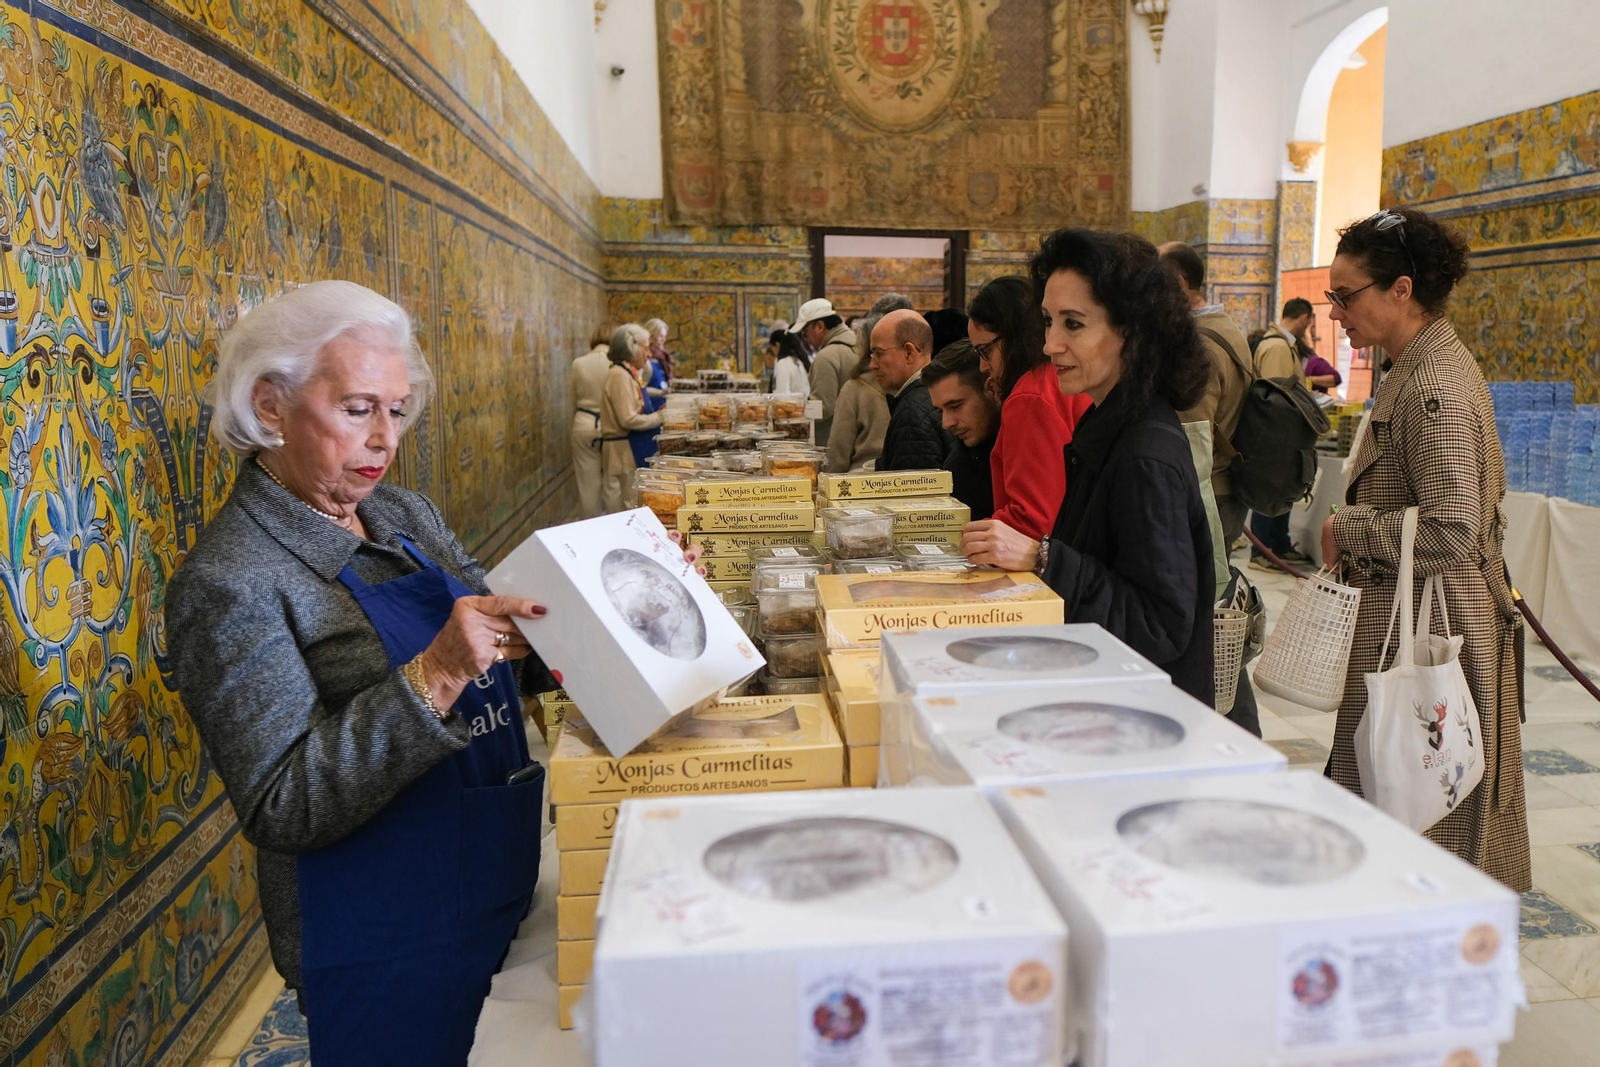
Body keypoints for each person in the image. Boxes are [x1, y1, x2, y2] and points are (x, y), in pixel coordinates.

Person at [165, 281, 552, 1066]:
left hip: (487, 873)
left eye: (398, 410)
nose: (384, 438)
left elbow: (504, 641)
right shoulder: (231, 580)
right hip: (384, 931)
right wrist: (434, 672)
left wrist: (610, 616)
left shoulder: (404, 516)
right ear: (270, 406)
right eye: (357, 408)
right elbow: (282, 801)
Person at [1320, 207, 1528, 891]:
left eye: (1345, 296)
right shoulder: (1415, 364)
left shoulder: (1433, 383)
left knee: (1425, 806)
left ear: (1401, 290)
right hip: (1419, 611)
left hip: (1438, 625)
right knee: (1407, 800)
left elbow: (1450, 529)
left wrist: (1347, 530)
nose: (1337, 312)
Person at [962, 229, 1215, 704]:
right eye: (1047, 321)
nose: (1050, 344)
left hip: (1138, 713)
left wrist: (1044, 558)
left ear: (1132, 332)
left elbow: (1159, 625)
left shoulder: (1144, 454)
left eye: (1073, 325)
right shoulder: (1111, 422)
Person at [1158, 242, 1260, 735]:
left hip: (1210, 494)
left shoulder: (1198, 343)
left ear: (1177, 286)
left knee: (1209, 622)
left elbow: (1192, 443)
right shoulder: (1229, 330)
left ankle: (1234, 732)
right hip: (1225, 489)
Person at [966, 275, 1092, 541]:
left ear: (1014, 336)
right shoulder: (1058, 378)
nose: (983, 366)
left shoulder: (1030, 396)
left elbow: (1035, 520)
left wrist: (965, 537)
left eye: (985, 351)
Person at [1249, 297, 1320, 570]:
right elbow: (1277, 396)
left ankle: (1278, 544)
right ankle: (1262, 550)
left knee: (1283, 490)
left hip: (1286, 435)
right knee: (1270, 489)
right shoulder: (1277, 347)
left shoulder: (1282, 344)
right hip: (1277, 433)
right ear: (1304, 318)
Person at [925, 341, 999, 519]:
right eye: (940, 411)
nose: (946, 423)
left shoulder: (1022, 447)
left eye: (956, 406)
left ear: (992, 389)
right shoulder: (958, 463)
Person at [872, 309, 952, 471]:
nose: (872, 364)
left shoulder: (911, 412)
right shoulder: (933, 394)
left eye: (878, 353)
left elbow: (912, 492)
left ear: (909, 353)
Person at [600, 323, 664, 511]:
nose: (649, 354)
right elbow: (628, 419)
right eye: (645, 348)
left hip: (629, 448)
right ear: (632, 348)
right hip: (621, 451)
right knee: (627, 503)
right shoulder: (619, 375)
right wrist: (659, 417)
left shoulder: (627, 372)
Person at [826, 314, 890, 472]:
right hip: (899, 477)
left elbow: (839, 448)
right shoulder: (904, 384)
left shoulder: (854, 388)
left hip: (859, 478)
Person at [569, 321, 616, 518]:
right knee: (613, 485)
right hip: (613, 427)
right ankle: (615, 529)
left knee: (588, 488)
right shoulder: (617, 364)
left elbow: (572, 400)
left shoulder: (578, 363)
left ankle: (590, 530)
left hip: (584, 424)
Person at [797, 297, 858, 444]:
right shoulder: (859, 344)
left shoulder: (827, 356)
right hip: (857, 437)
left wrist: (797, 410)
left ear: (819, 326)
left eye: (805, 333)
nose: (806, 339)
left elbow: (823, 407)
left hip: (833, 441)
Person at [773, 330, 812, 395]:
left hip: (792, 404)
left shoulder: (783, 363)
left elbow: (782, 395)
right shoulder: (801, 361)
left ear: (777, 345)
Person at [644, 318, 675, 382]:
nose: (664, 340)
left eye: (665, 336)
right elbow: (640, 384)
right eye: (661, 336)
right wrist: (659, 392)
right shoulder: (642, 356)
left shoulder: (664, 356)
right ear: (651, 336)